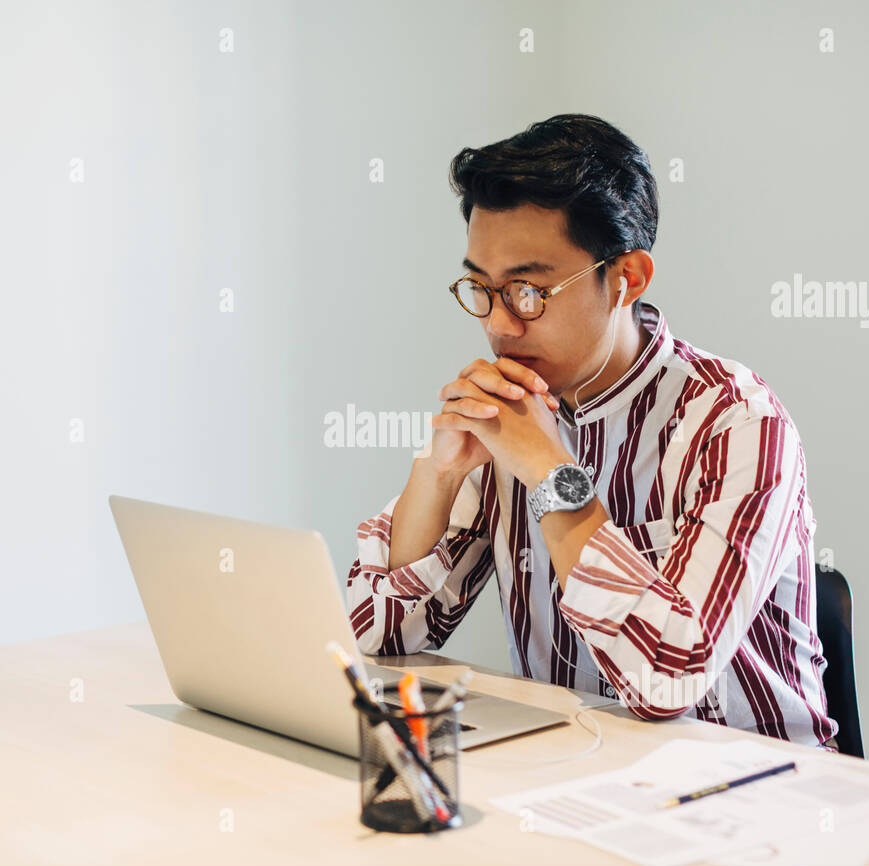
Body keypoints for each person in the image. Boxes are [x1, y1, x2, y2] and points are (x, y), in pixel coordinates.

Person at [345, 114, 838, 751]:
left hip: (754, 797)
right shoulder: (509, 415)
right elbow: (376, 643)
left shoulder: (737, 422)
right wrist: (437, 474)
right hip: (579, 774)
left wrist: (551, 473)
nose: (500, 324)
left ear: (626, 277)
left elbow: (667, 679)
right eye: (481, 288)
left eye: (528, 290)